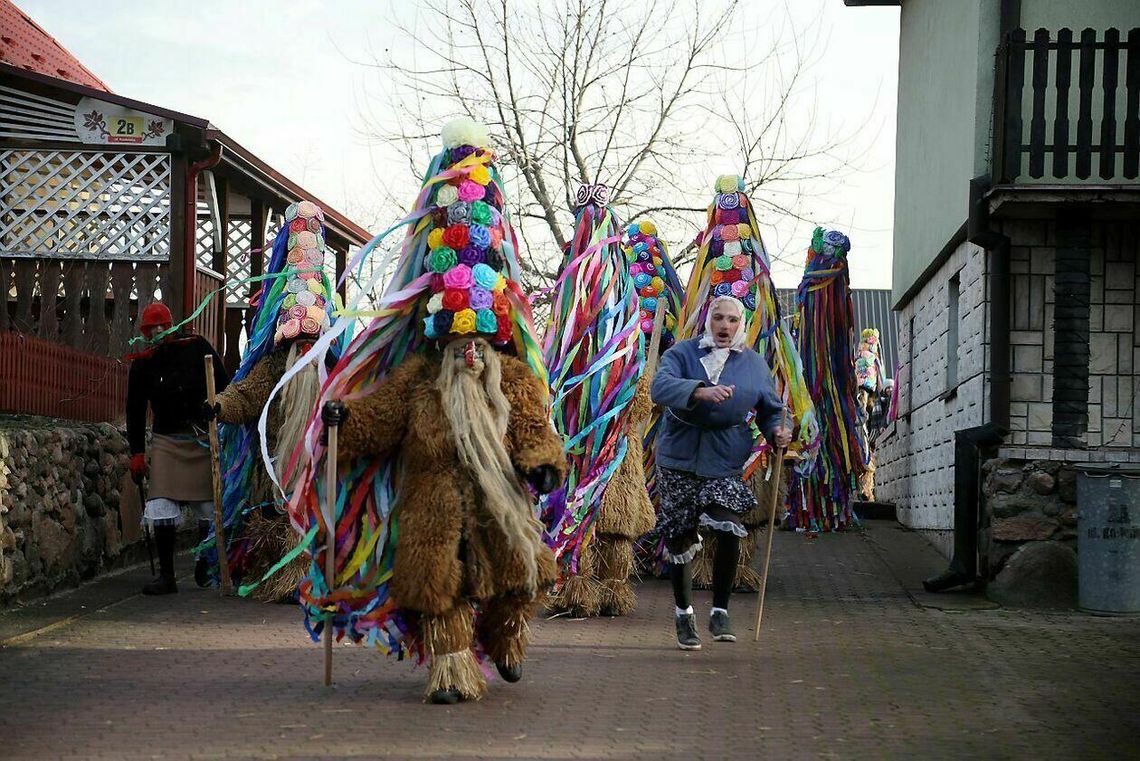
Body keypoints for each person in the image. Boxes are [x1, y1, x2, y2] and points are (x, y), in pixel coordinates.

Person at [203, 200, 337, 601]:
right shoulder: (275, 367)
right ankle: (280, 579)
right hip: (276, 465)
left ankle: (317, 577)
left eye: (311, 342)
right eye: (300, 341)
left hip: (320, 466)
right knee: (275, 518)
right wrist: (220, 406)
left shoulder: (332, 371)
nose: (305, 349)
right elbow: (247, 392)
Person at [651, 295, 791, 649]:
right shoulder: (682, 354)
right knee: (680, 536)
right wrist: (699, 391)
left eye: (731, 320)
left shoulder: (755, 366)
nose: (724, 326)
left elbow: (771, 410)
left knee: (729, 525)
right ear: (707, 321)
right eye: (718, 319)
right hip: (679, 455)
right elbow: (659, 387)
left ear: (740, 324)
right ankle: (684, 615)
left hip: (725, 458)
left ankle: (720, 610)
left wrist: (777, 431)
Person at [126, 302, 228, 595]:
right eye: (151, 327)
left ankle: (203, 563)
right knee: (160, 505)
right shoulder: (143, 362)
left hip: (199, 438)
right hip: (166, 441)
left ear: (171, 324)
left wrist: (220, 407)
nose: (157, 331)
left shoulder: (197, 347)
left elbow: (224, 385)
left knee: (209, 508)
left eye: (161, 325)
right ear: (145, 332)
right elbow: (134, 409)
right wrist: (136, 452)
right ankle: (167, 576)